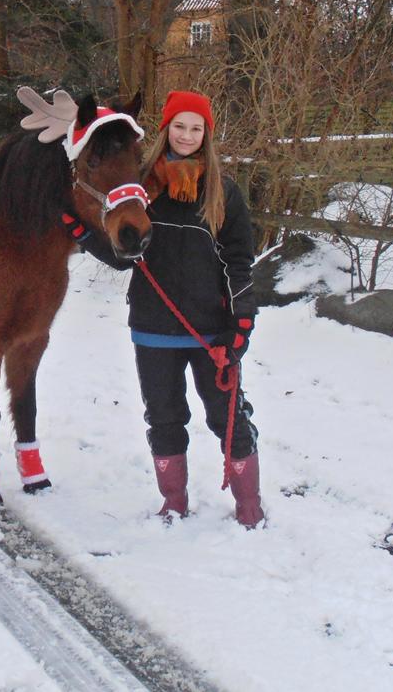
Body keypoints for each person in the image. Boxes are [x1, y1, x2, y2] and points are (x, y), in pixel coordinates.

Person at [71, 90, 262, 527]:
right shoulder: (140, 189)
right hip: (153, 326)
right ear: (166, 129)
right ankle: (173, 501)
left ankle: (248, 504)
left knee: (227, 417)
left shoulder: (223, 193)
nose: (187, 135)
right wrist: (83, 236)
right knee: (163, 416)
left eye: (196, 128)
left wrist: (241, 324)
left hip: (211, 332)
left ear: (207, 134)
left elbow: (239, 263)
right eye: (179, 126)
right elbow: (126, 252)